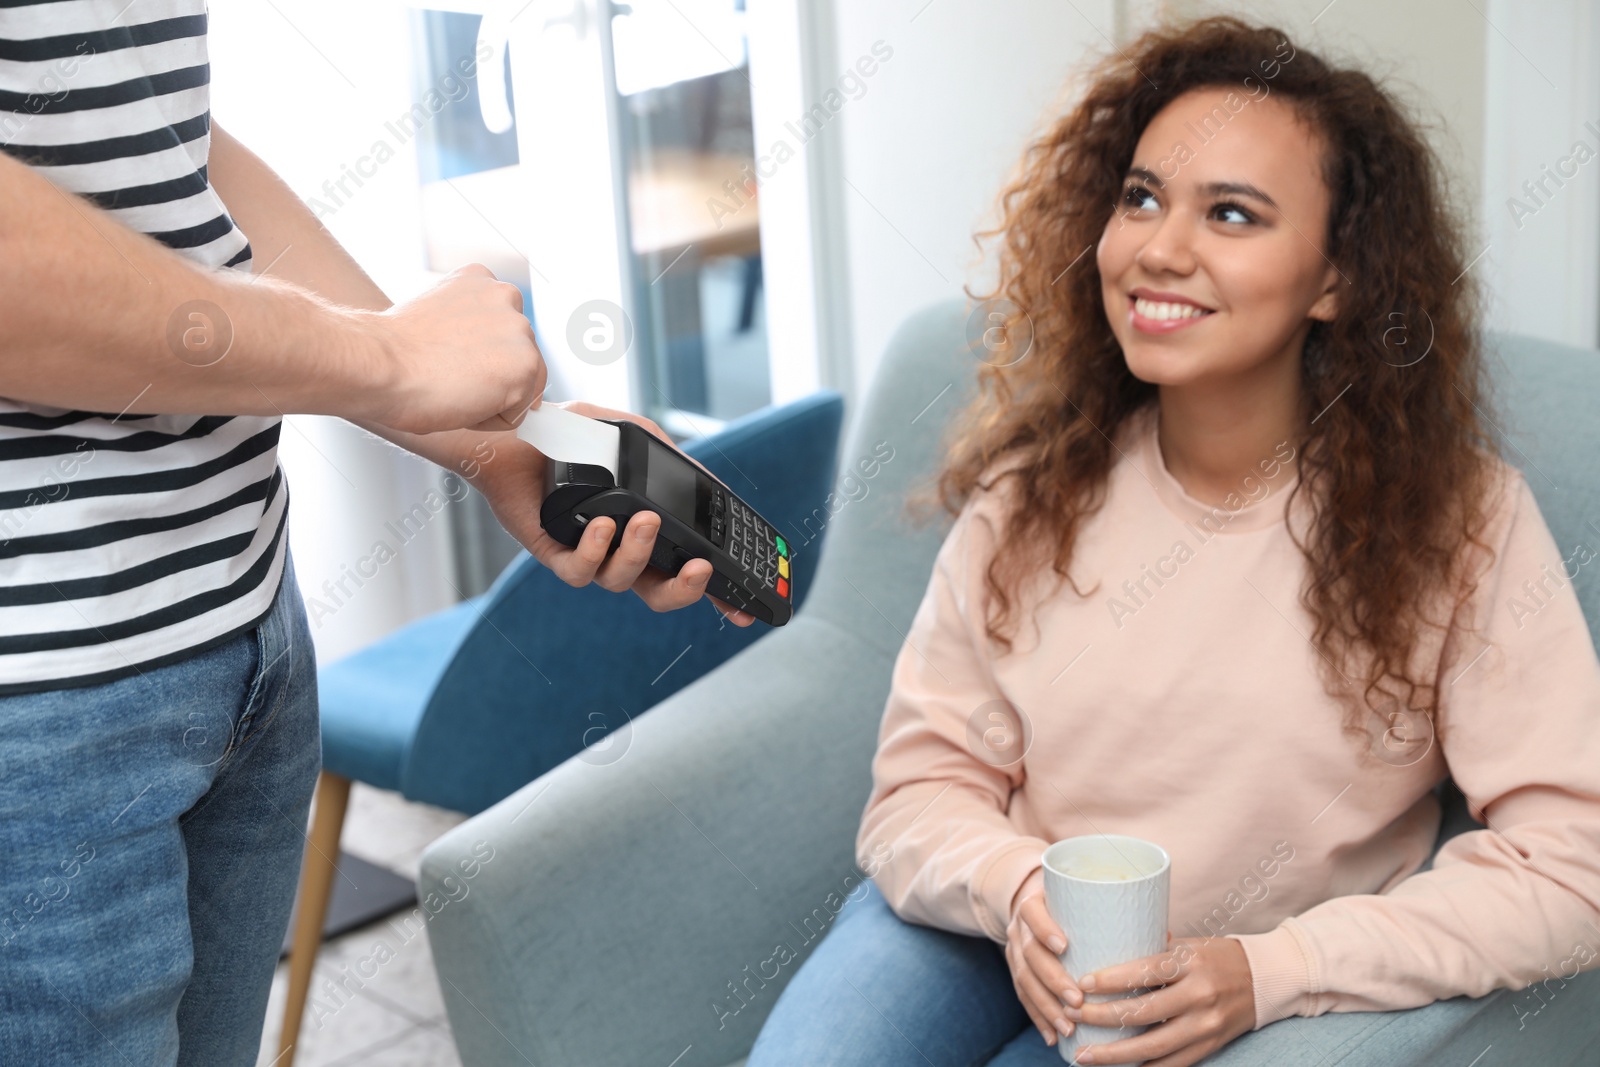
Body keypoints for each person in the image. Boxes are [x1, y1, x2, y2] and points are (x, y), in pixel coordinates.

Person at [746, 16, 1600, 1067]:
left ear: (1335, 277)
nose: (1157, 246)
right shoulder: (1030, 496)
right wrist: (1017, 890)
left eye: (1231, 213)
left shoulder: (1460, 519)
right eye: (1141, 196)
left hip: (1247, 980)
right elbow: (919, 793)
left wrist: (1269, 970)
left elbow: (1569, 867)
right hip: (985, 933)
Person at [0, 3, 749, 1064]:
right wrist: (387, 356)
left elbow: (164, 136)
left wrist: (488, 442)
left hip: (246, 619)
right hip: (39, 704)